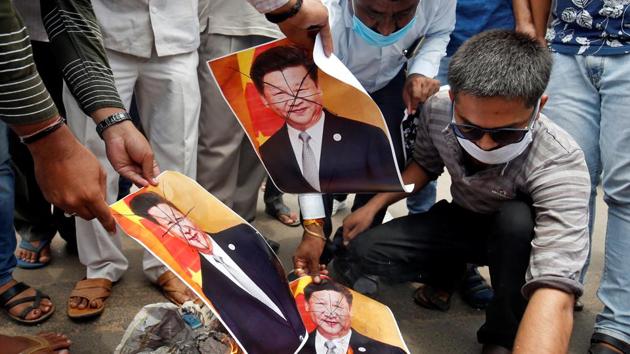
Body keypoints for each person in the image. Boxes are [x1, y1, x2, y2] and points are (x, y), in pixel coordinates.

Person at [341, 30, 590, 353]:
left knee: (515, 221)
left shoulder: (560, 160)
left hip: (517, 238)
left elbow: (555, 287)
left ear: (538, 107)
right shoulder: (438, 109)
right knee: (365, 251)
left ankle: (502, 334)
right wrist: (373, 206)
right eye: (470, 128)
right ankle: (451, 274)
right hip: (460, 218)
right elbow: (425, 166)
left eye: (504, 134)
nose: (484, 143)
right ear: (454, 98)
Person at [293, 0, 455, 284]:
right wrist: (313, 227)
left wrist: (420, 70)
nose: (386, 29)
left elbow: (440, 32)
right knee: (324, 159)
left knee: (385, 160)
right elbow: (303, 145)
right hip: (327, 77)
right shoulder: (320, 9)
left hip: (390, 81)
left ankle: (359, 254)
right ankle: (320, 244)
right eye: (374, 14)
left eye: (403, 15)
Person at [517, 1, 630, 352]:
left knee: (626, 189)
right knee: (565, 179)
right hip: (566, 42)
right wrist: (531, 27)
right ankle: (560, 289)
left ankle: (619, 322)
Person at [128, 192, 306, 354]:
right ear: (167, 235)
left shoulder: (243, 236)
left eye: (178, 218)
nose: (185, 229)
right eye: (170, 225)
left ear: (187, 215)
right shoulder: (207, 287)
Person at [196, 0, 298, 229]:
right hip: (229, 23)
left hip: (286, 27)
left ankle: (243, 228)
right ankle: (212, 231)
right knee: (218, 139)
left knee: (260, 140)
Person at [252, 45, 400, 194]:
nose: (294, 100)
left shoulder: (368, 137)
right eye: (280, 94)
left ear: (318, 86)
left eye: (300, 89)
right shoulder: (269, 150)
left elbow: (385, 189)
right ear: (264, 100)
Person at [301, 279, 405, 354]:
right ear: (307, 305)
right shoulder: (293, 349)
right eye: (321, 304)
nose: (330, 313)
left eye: (337, 306)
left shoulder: (388, 352)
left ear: (350, 309)